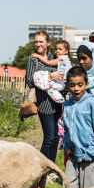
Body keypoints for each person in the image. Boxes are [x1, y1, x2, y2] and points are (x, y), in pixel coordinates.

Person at [62, 66, 94, 188]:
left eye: (80, 85)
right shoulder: (67, 105)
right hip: (73, 155)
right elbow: (66, 129)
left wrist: (91, 152)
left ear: (86, 84)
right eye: (72, 85)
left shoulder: (92, 103)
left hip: (89, 157)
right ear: (67, 86)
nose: (76, 89)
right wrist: (67, 146)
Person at [26, 31, 63, 163]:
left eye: (41, 41)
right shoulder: (32, 59)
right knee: (49, 137)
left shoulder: (55, 58)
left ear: (48, 43)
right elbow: (30, 82)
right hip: (44, 103)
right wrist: (49, 76)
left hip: (58, 102)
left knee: (56, 137)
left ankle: (51, 167)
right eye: (36, 42)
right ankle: (41, 167)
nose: (38, 44)